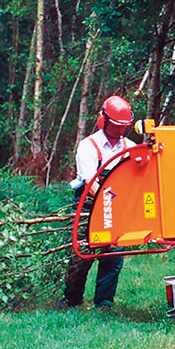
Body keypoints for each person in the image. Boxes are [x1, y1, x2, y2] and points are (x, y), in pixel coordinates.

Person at [56, 95, 137, 310]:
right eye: (117, 126)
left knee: (113, 254)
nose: (121, 131)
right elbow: (90, 183)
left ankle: (104, 302)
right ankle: (72, 299)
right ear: (104, 120)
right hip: (89, 205)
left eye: (124, 127)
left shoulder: (130, 147)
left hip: (117, 206)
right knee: (81, 252)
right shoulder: (88, 146)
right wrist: (109, 204)